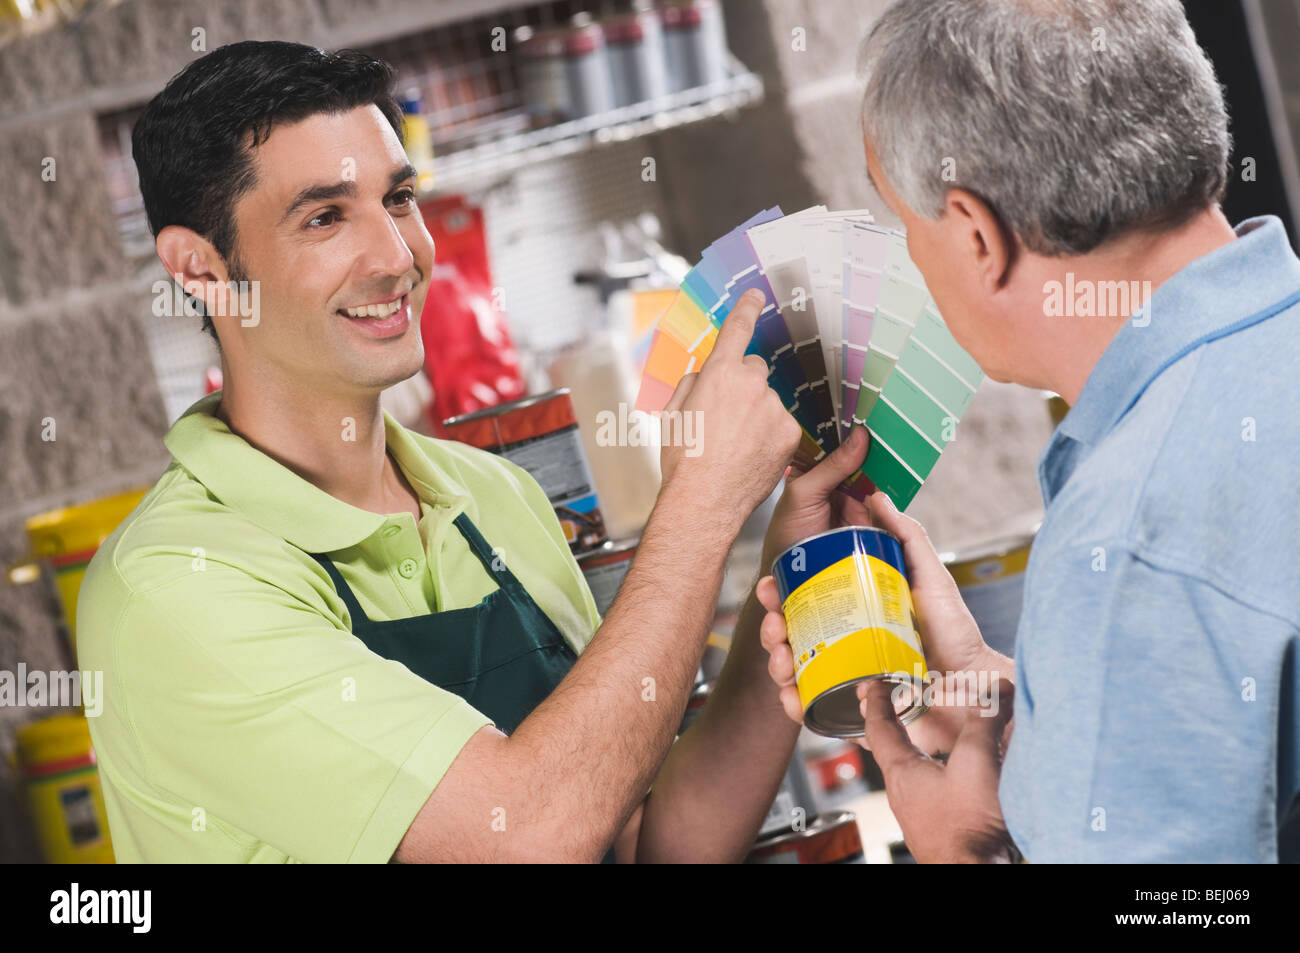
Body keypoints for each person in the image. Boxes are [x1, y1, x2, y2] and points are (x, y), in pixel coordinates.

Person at [76, 40, 873, 863]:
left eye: (398, 198)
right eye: (324, 216)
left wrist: (789, 573)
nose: (396, 256)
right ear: (201, 269)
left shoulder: (494, 497)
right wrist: (700, 505)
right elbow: (524, 836)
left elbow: (643, 842)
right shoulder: (176, 587)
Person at [758, 0, 1300, 862]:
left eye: (908, 227)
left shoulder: (1129, 538)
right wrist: (1043, 709)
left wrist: (962, 854)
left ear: (976, 233)